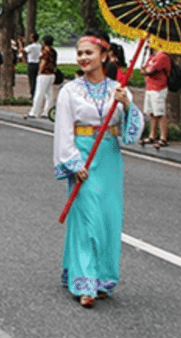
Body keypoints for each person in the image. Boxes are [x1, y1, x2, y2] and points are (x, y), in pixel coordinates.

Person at [53, 31, 142, 308]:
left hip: (109, 157)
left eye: (89, 53)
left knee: (107, 220)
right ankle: (85, 282)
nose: (83, 58)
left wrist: (126, 104)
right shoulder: (70, 90)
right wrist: (73, 162)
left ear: (105, 56)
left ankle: (103, 279)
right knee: (87, 219)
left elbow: (133, 132)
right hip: (83, 155)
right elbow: (63, 129)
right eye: (80, 54)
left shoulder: (120, 88)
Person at [139, 47, 172, 148]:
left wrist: (146, 70)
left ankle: (163, 137)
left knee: (160, 113)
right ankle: (152, 135)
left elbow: (150, 70)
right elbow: (143, 70)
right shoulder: (152, 57)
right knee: (152, 113)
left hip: (159, 88)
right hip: (149, 87)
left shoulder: (162, 56)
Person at [27, 35, 58, 120]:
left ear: (44, 42)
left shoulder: (45, 52)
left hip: (44, 74)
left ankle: (34, 112)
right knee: (49, 95)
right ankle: (46, 112)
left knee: (39, 93)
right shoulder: (54, 51)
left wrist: (39, 71)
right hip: (52, 74)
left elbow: (43, 63)